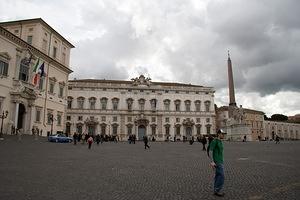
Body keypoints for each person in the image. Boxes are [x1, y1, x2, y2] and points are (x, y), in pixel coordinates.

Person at [208, 129, 226, 197]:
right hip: (217, 162)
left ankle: (216, 190)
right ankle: (217, 190)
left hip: (221, 161)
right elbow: (210, 151)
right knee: (222, 176)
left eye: (223, 134)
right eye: (222, 134)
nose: (223, 135)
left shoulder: (220, 141)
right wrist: (212, 161)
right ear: (218, 134)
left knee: (218, 175)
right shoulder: (214, 141)